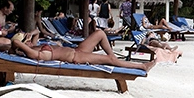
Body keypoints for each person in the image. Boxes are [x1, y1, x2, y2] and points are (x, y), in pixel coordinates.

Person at [12, 29, 175, 67]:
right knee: (110, 59)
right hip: (76, 57)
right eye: (24, 41)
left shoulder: (35, 45)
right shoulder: (37, 53)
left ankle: (113, 57)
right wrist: (17, 41)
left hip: (78, 49)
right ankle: (141, 66)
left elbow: (37, 32)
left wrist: (28, 34)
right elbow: (30, 51)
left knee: (100, 33)